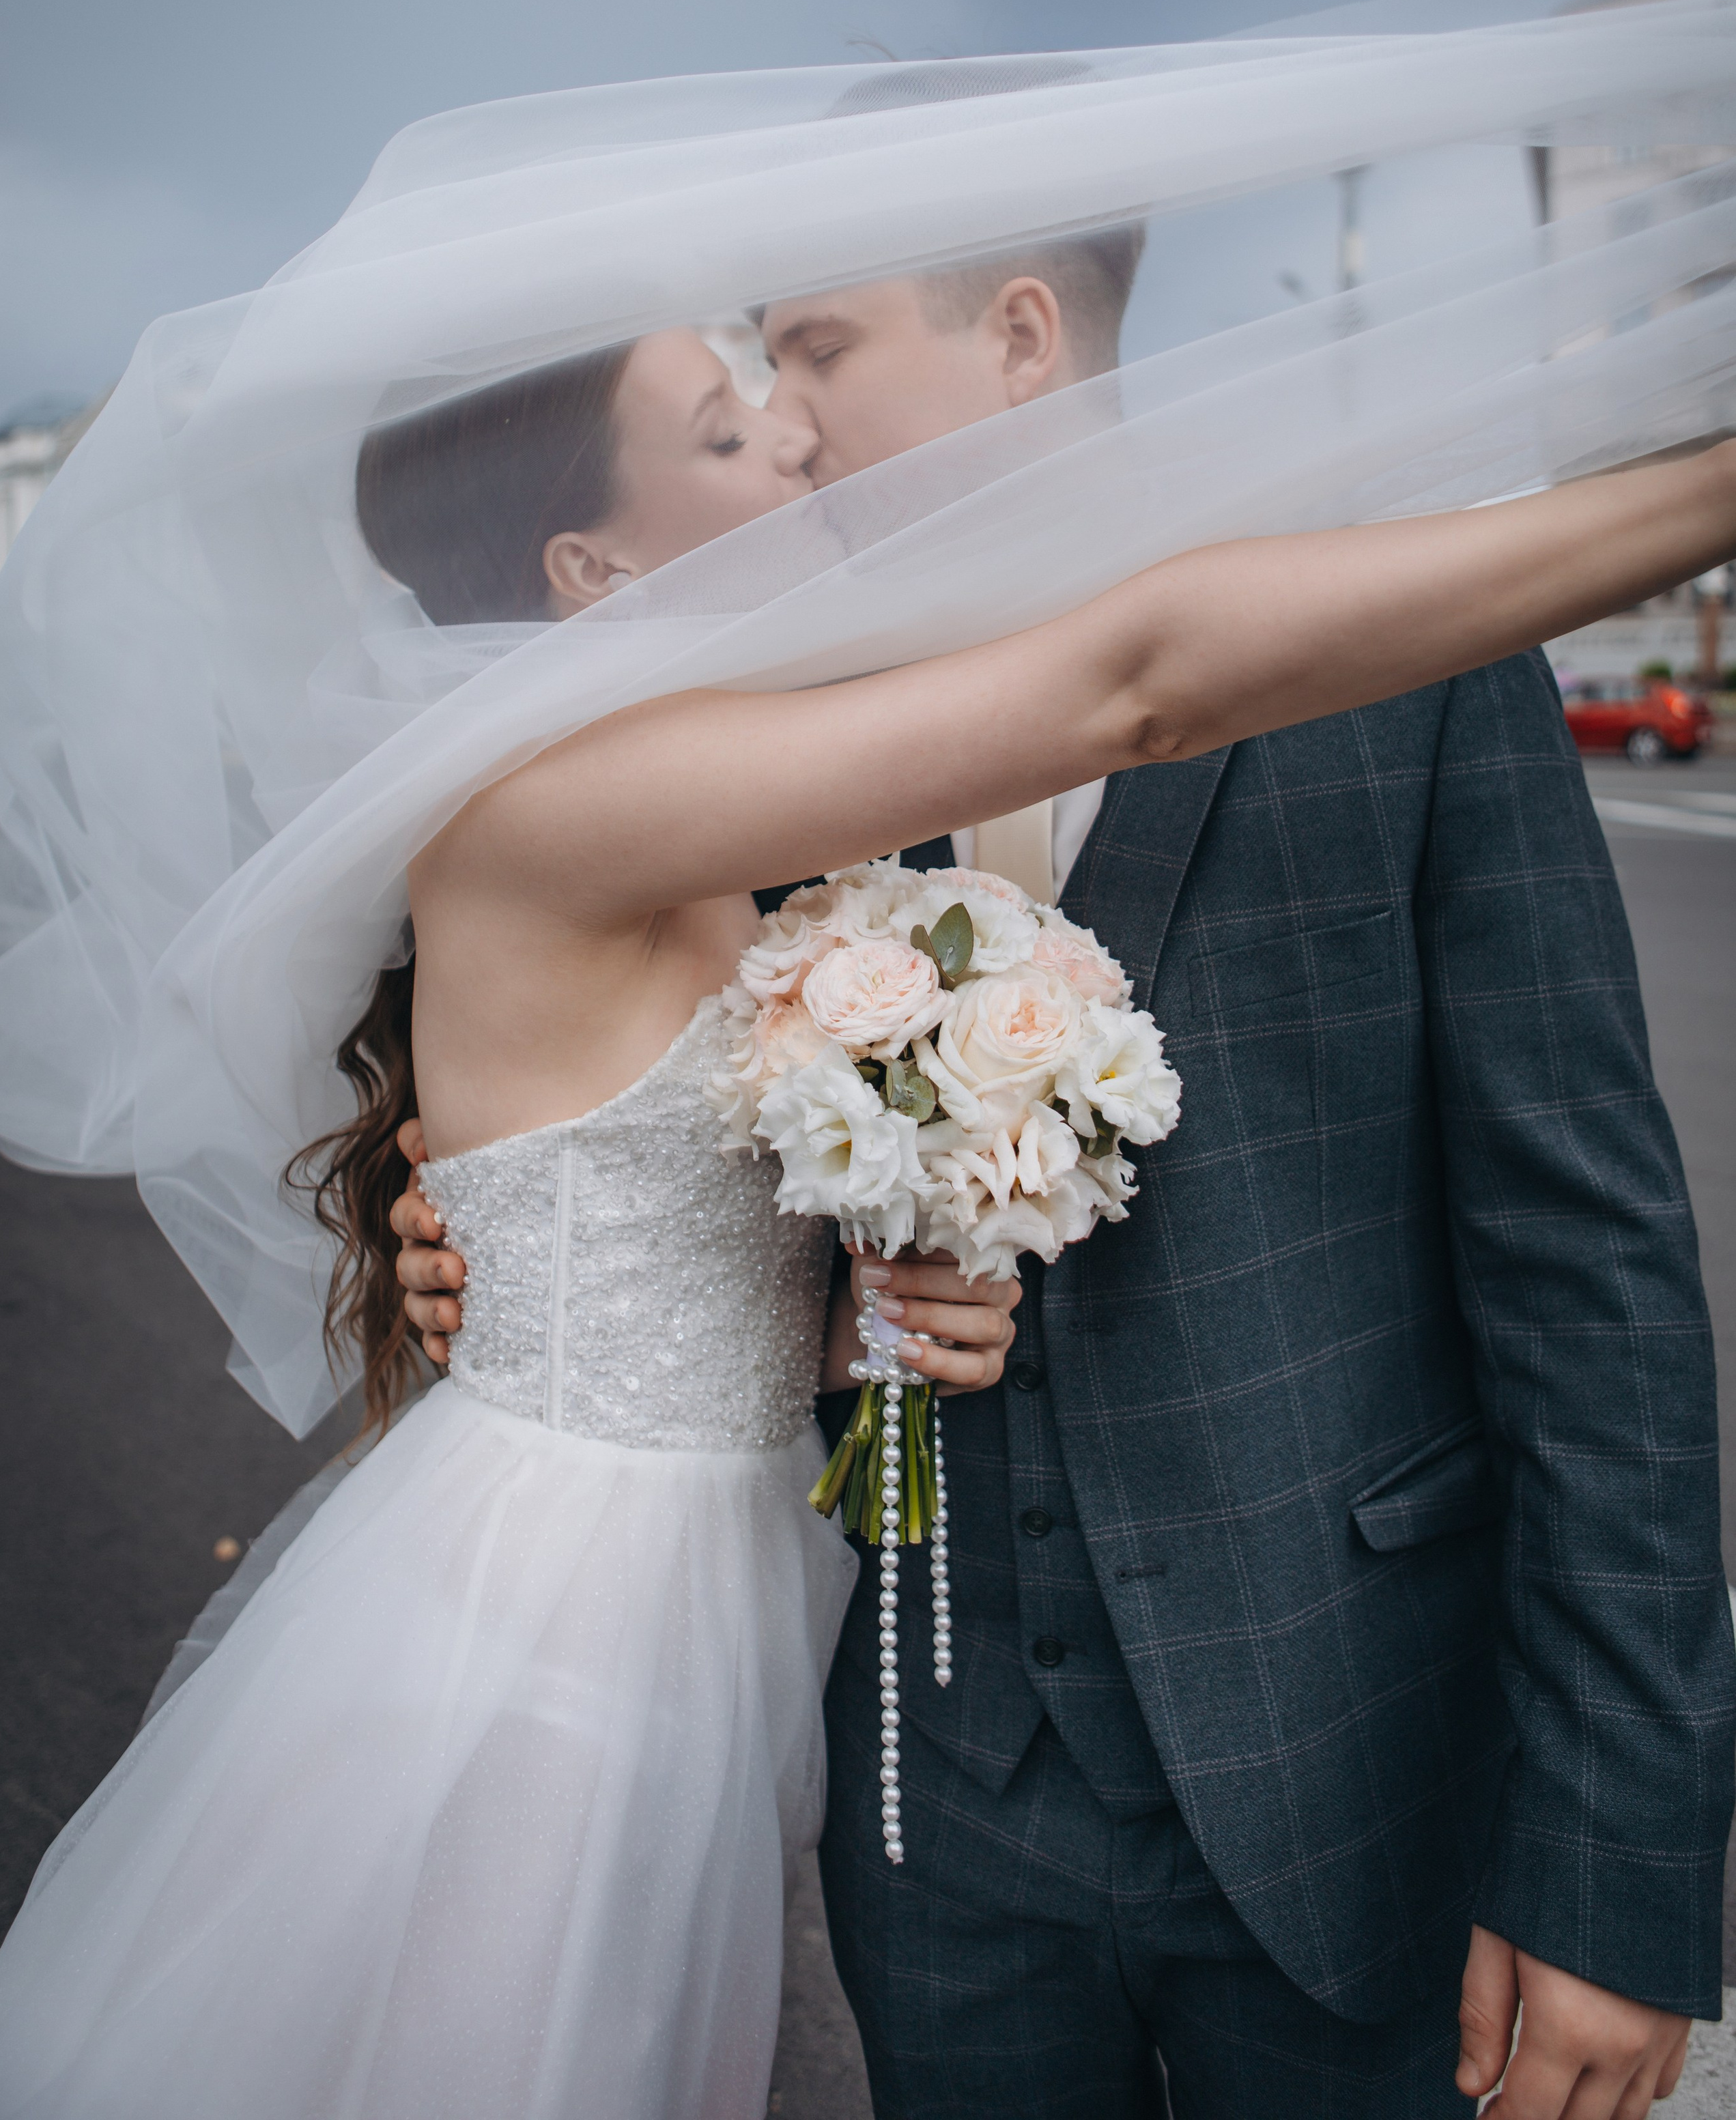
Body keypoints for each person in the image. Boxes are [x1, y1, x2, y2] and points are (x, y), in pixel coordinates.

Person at [378, 253, 1736, 2117]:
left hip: (1351, 1765)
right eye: (752, 383)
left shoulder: (1402, 650)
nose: (792, 424)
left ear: (1018, 332)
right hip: (938, 1801)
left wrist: (1616, 1865)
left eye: (819, 349)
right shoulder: (756, 712)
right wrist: (505, 1253)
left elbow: (1589, 1261)